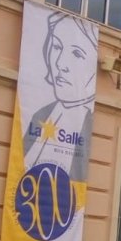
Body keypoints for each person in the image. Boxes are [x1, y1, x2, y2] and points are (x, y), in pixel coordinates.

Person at [22, 10, 97, 181]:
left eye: (77, 53)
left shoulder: (89, 121)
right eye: (56, 47)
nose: (60, 64)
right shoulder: (39, 114)